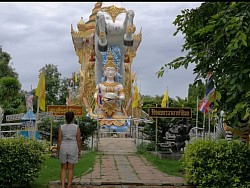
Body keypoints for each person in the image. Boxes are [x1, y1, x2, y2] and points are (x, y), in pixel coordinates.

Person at [92, 51, 128, 126]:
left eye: (112, 70)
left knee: (121, 121)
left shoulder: (119, 85)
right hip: (103, 108)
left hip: (115, 108)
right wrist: (101, 98)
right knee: (98, 120)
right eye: (108, 70)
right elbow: (95, 95)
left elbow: (123, 96)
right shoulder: (100, 85)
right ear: (104, 72)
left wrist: (117, 97)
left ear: (116, 72)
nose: (110, 72)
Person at [57, 111, 81, 188]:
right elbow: (78, 140)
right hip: (73, 147)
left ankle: (63, 186)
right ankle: (69, 185)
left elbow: (59, 140)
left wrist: (57, 151)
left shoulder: (61, 127)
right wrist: (79, 150)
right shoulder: (76, 127)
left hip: (63, 147)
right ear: (73, 118)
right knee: (70, 168)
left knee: (63, 168)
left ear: (65, 117)